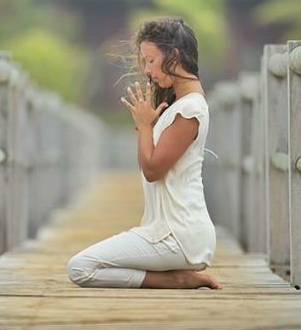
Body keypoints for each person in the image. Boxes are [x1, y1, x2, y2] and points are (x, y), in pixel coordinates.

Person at [67, 17, 221, 290]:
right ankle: (175, 276)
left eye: (151, 60)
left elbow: (152, 170)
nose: (147, 70)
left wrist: (145, 125)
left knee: (80, 268)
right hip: (169, 231)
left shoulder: (190, 110)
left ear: (173, 55)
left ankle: (175, 280)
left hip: (178, 234)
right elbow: (150, 163)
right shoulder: (179, 105)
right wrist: (147, 126)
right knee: (84, 265)